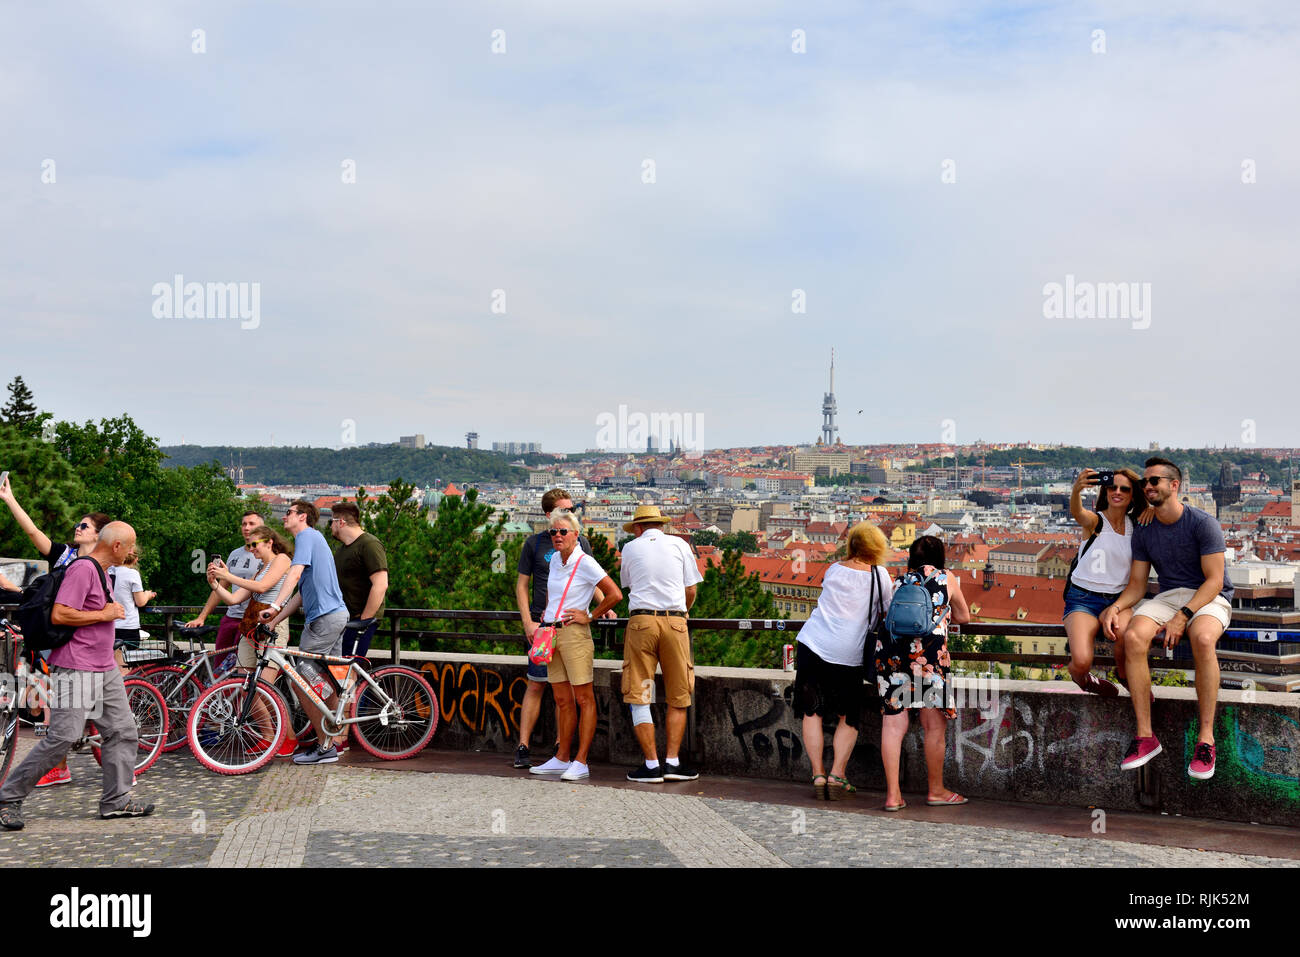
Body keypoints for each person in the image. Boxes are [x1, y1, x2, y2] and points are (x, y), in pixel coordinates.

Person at [0, 522, 154, 830]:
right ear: (117, 547)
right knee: (63, 737)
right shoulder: (83, 569)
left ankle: (116, 801)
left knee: (123, 730)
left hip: (103, 665)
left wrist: (105, 615)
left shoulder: (102, 572)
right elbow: (60, 613)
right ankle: (8, 797)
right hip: (76, 664)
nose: (134, 551)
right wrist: (103, 614)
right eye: (131, 545)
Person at [1100, 458, 1234, 779]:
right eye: (1146, 482)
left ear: (1174, 486)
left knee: (1202, 639)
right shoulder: (1145, 529)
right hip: (1170, 595)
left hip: (1208, 595)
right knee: (1132, 637)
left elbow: (1215, 580)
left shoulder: (1203, 523)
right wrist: (1116, 607)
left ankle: (1206, 739)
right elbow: (1137, 585)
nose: (1148, 486)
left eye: (1155, 481)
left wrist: (1183, 616)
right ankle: (1146, 736)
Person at [0, 472, 111, 787]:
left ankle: (68, 762)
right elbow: (34, 532)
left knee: (63, 706)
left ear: (100, 535)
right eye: (78, 524)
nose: (78, 527)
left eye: (85, 525)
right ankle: (61, 764)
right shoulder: (66, 556)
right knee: (51, 704)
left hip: (84, 645)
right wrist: (10, 500)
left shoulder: (107, 565)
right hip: (56, 640)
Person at [793, 521, 892, 799]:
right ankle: (837, 774)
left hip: (812, 643)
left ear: (851, 545)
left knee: (811, 711)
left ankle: (818, 773)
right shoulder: (880, 576)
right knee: (848, 716)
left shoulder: (834, 568)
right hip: (848, 652)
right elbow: (886, 612)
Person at [875, 535, 970, 811]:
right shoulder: (946, 578)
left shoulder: (898, 581)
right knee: (933, 726)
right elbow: (965, 616)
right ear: (940, 557)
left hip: (890, 655)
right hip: (928, 658)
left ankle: (893, 796)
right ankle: (936, 791)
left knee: (893, 726)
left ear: (910, 559)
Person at [527, 509, 622, 782]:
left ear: (575, 535)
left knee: (583, 698)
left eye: (562, 532)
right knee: (561, 699)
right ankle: (562, 757)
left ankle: (581, 761)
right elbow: (550, 596)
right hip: (553, 633)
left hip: (574, 634)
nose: (557, 536)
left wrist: (589, 615)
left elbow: (615, 593)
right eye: (553, 532)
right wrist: (544, 622)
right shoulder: (556, 560)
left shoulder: (585, 561)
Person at [259, 500, 350, 765]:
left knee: (301, 679)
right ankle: (332, 740)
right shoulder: (314, 540)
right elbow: (301, 594)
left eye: (288, 513)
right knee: (326, 680)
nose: (284, 516)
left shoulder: (307, 537)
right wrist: (276, 618)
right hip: (334, 616)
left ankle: (325, 746)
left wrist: (274, 605)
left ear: (302, 517)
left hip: (323, 620)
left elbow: (295, 574)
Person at [513, 488, 599, 770]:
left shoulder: (579, 542)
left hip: (567, 626)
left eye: (572, 510)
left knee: (572, 694)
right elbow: (522, 585)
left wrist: (598, 610)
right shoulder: (535, 543)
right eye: (565, 510)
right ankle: (524, 746)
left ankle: (565, 751)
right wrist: (528, 622)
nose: (570, 514)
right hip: (542, 625)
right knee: (537, 683)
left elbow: (592, 578)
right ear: (549, 515)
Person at [619, 504, 704, 783]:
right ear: (661, 525)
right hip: (675, 622)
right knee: (679, 694)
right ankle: (673, 762)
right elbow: (691, 588)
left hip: (642, 621)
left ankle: (651, 765)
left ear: (639, 528)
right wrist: (683, 611)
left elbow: (630, 585)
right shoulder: (680, 544)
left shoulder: (630, 548)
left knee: (640, 693)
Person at [1065, 468, 1144, 696]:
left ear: (1132, 495)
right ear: (1105, 491)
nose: (1117, 492)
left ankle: (1125, 676)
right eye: (1112, 487)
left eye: (1124, 489)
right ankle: (1083, 679)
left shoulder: (1136, 527)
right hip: (1083, 598)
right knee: (1080, 660)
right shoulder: (1096, 521)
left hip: (1119, 599)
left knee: (1127, 639)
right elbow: (1078, 512)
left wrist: (1148, 509)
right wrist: (1077, 490)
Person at [183, 510, 265, 669]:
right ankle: (220, 694)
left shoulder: (267, 556)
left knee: (241, 668)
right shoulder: (235, 554)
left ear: (263, 528)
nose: (246, 528)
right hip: (231, 617)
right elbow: (221, 587)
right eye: (244, 524)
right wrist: (202, 617)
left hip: (252, 620)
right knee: (220, 666)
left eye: (251, 524)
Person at [328, 502, 388, 658]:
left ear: (340, 522)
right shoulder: (343, 550)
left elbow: (380, 584)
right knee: (338, 670)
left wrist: (364, 620)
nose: (329, 527)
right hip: (345, 619)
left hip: (360, 621)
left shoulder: (369, 544)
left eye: (331, 522)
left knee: (349, 671)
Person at [109, 545, 157, 675]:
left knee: (109, 667)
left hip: (109, 626)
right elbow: (140, 601)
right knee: (124, 669)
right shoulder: (132, 574)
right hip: (128, 627)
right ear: (135, 559)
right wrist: (147, 594)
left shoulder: (109, 571)